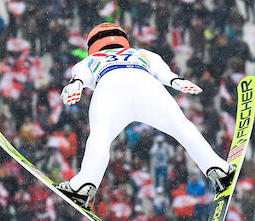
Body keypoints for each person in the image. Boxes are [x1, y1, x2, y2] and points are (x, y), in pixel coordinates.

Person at [56, 23, 235, 207]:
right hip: (145, 83)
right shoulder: (140, 52)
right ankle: (218, 169)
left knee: (100, 137)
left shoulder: (90, 60)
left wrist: (75, 84)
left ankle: (84, 186)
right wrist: (176, 81)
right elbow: (163, 71)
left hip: (110, 86)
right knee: (181, 126)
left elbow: (80, 75)